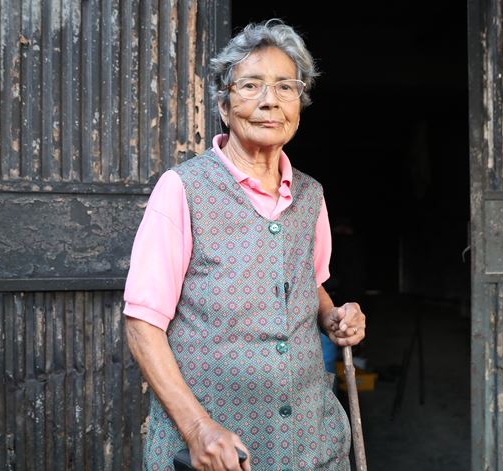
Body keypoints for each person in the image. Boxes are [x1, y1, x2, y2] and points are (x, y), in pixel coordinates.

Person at [123, 19, 367, 471]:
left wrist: (335, 316)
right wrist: (198, 429)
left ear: (299, 104)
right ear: (223, 103)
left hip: (311, 442)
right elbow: (142, 325)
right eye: (251, 85)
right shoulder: (182, 189)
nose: (269, 101)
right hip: (215, 450)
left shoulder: (310, 195)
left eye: (285, 87)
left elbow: (306, 283)